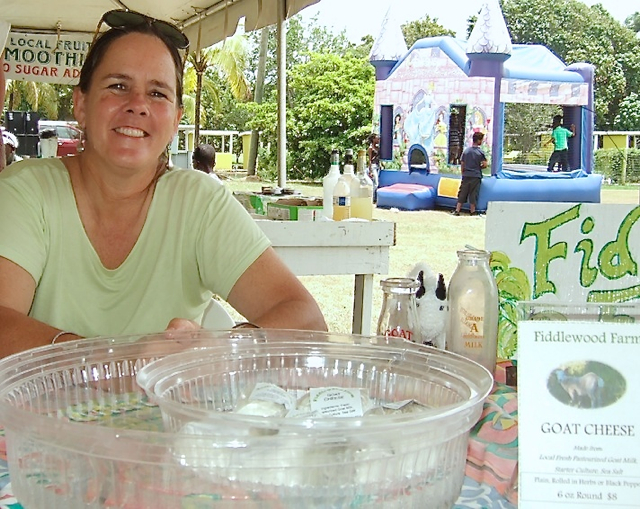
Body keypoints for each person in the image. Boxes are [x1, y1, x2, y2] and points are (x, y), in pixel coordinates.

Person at [0, 10, 327, 358]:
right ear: (80, 104)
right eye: (118, 86)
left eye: (158, 93)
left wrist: (221, 348)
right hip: (36, 411)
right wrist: (116, 364)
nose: (137, 105)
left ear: (175, 121)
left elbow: (306, 322)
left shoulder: (199, 203)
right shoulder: (27, 190)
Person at [452, 131, 487, 216]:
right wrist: (479, 167)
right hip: (476, 176)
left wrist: (463, 173)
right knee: (473, 194)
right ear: (478, 141)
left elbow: (462, 163)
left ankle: (457, 210)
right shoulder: (480, 152)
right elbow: (485, 164)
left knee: (462, 193)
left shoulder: (466, 151)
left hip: (466, 175)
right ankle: (472, 211)